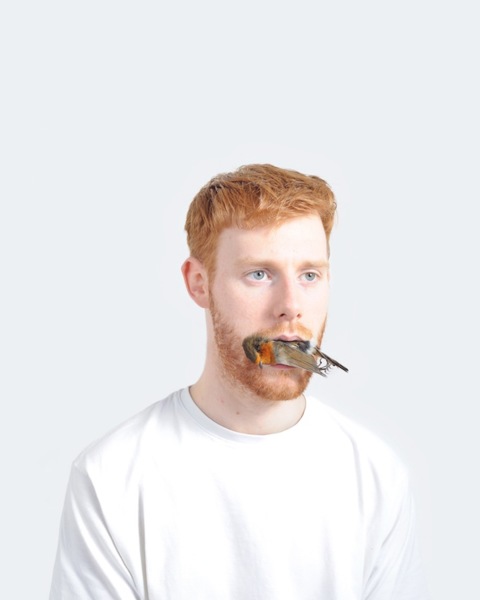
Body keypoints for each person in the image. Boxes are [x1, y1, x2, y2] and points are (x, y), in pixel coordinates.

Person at [50, 164, 429, 599]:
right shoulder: (111, 477)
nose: (290, 307)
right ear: (199, 283)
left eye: (309, 275)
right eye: (259, 274)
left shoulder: (377, 475)